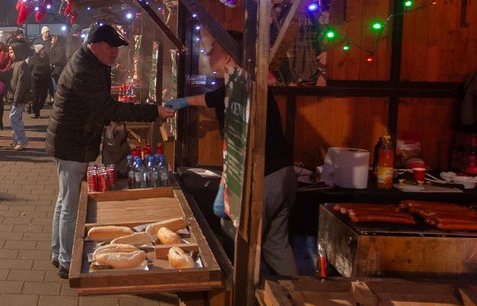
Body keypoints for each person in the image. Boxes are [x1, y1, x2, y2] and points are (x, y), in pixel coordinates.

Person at [164, 31, 298, 276]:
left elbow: (240, 146)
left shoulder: (242, 91)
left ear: (228, 55)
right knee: (276, 245)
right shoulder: (242, 83)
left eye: (214, 48)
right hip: (283, 175)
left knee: (239, 241)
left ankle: (246, 304)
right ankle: (294, 299)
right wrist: (184, 101)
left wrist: (225, 190)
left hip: (262, 179)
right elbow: (212, 98)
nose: (208, 52)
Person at [47, 23, 176, 278]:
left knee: (65, 200)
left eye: (117, 47)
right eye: (111, 47)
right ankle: (66, 260)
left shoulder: (91, 63)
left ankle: (59, 253)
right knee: (70, 203)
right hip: (72, 142)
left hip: (72, 139)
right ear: (95, 47)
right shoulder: (84, 70)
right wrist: (153, 111)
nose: (116, 52)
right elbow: (107, 108)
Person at [6, 43, 31, 150]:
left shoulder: (22, 65)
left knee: (14, 117)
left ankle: (22, 140)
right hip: (15, 97)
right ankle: (16, 140)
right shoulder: (14, 65)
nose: (10, 55)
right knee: (16, 118)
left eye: (11, 52)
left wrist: (17, 99)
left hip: (19, 98)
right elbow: (5, 75)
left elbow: (21, 84)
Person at [27, 43, 51, 118]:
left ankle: (35, 107)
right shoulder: (32, 59)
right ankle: (37, 113)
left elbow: (48, 70)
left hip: (44, 79)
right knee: (35, 96)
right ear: (38, 51)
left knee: (44, 96)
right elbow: (28, 69)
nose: (44, 51)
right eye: (42, 49)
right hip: (35, 80)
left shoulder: (46, 58)